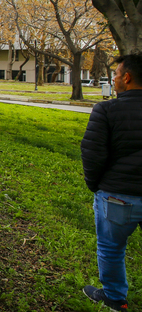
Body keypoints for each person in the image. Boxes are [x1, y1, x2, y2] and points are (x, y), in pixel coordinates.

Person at [80, 53, 142, 311]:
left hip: (117, 195)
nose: (114, 79)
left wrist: (95, 185)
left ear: (126, 78)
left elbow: (92, 154)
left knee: (111, 249)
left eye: (115, 75)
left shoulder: (106, 110)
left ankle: (115, 298)